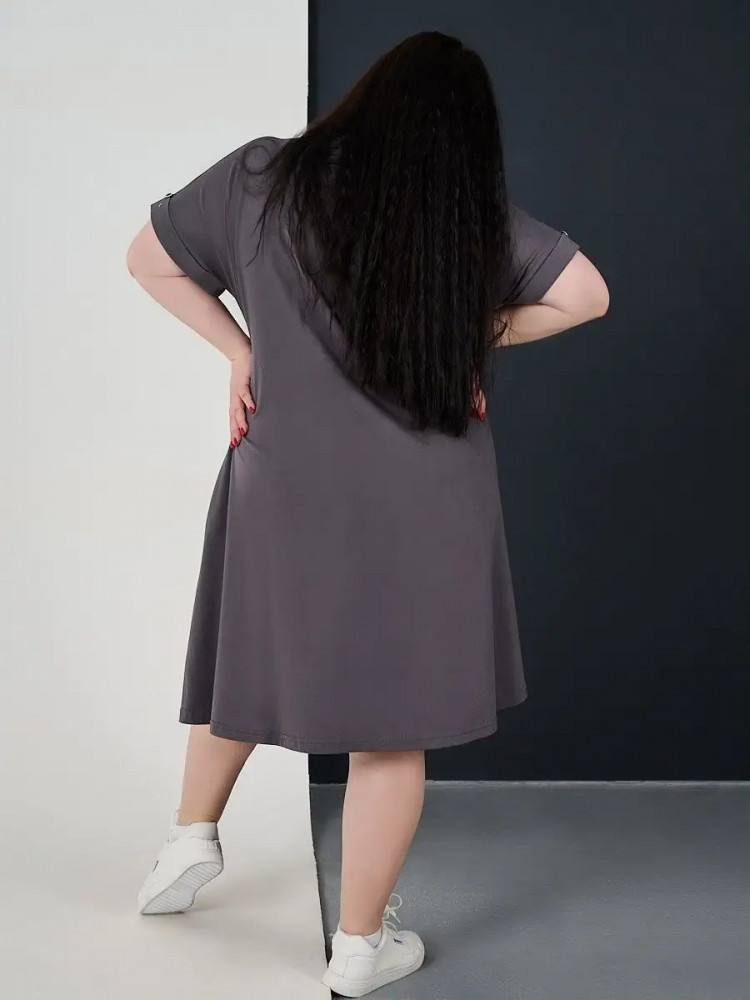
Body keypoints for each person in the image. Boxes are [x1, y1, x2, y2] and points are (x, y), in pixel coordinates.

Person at [125, 30, 609, 998]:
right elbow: (586, 295)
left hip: (282, 475)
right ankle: (358, 948)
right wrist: (464, 330)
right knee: (391, 727)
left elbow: (149, 260)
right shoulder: (459, 218)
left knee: (247, 652)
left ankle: (192, 836)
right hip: (420, 497)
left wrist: (243, 351)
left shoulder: (262, 177)